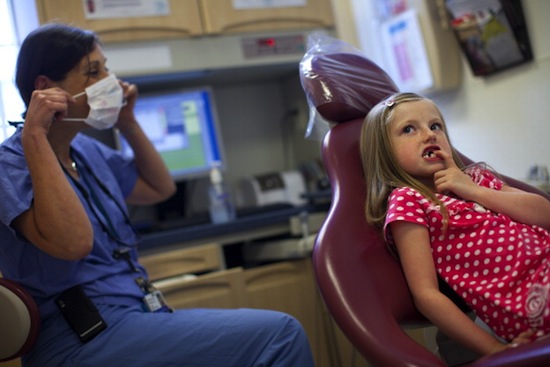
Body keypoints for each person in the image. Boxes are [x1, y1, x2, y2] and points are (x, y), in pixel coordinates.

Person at [0, 23, 315, 367]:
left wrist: (129, 123)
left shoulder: (86, 151)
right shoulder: (9, 166)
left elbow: (158, 188)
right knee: (280, 335)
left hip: (130, 314)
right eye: (93, 72)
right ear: (46, 89)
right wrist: (35, 137)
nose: (110, 80)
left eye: (106, 67)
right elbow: (74, 243)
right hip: (77, 335)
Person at [360, 92, 550, 356]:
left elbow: (544, 213)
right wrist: (495, 351)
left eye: (435, 125)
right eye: (409, 129)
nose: (429, 135)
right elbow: (426, 295)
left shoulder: (477, 179)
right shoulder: (410, 200)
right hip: (531, 297)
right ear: (385, 152)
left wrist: (472, 190)